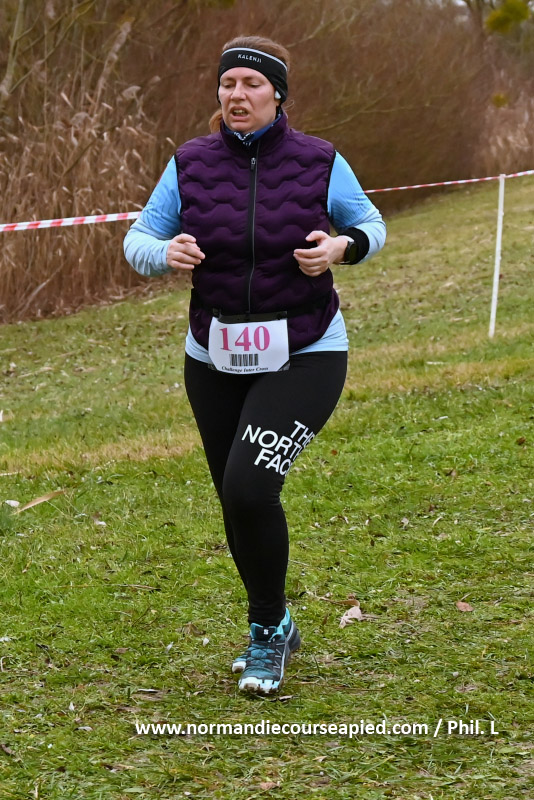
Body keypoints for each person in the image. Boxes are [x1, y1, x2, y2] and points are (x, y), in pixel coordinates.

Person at [124, 34, 386, 696]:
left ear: (278, 94)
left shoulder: (320, 160)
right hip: (213, 355)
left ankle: (266, 631)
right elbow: (138, 238)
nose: (236, 95)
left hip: (306, 350)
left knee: (249, 488)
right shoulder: (189, 163)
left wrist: (341, 248)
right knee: (234, 500)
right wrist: (164, 254)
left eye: (251, 84)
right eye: (227, 84)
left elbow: (371, 225)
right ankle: (278, 620)